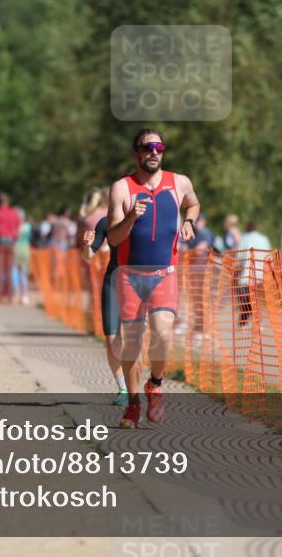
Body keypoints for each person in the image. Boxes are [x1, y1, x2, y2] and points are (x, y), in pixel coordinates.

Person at [107, 129, 200, 429]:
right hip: (130, 276)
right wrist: (131, 217)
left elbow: (193, 203)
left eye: (159, 147)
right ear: (136, 153)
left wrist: (190, 221)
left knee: (163, 335)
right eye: (147, 148)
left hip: (164, 275)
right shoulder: (122, 188)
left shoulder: (179, 182)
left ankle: (155, 385)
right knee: (132, 343)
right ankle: (133, 405)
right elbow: (113, 238)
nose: (154, 152)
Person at [82, 216, 128, 406]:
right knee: (111, 339)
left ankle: (143, 385)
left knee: (133, 339)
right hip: (113, 281)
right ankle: (123, 388)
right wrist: (87, 245)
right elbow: (87, 255)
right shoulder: (106, 222)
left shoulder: (144, 217)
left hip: (139, 281)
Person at [234, 220, 272, 330]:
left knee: (246, 300)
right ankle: (250, 322)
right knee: (253, 299)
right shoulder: (264, 239)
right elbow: (269, 256)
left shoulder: (244, 239)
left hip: (246, 275)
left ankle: (246, 322)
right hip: (260, 274)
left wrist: (235, 269)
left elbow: (239, 257)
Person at [0, 193, 21, 303]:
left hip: (0, 242)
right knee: (9, 270)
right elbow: (19, 229)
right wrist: (15, 239)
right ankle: (9, 297)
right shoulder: (14, 213)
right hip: (11, 242)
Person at [12, 209, 32, 305]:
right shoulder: (28, 226)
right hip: (26, 249)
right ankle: (24, 295)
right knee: (23, 273)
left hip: (17, 248)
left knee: (15, 272)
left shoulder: (17, 226)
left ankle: (16, 294)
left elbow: (16, 236)